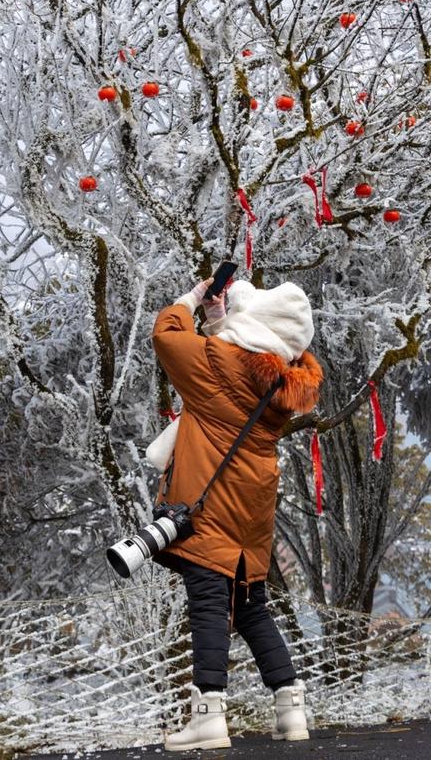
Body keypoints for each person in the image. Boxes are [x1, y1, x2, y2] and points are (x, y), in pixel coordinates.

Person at [150, 275, 323, 750]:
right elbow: (235, 365)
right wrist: (219, 321)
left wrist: (191, 299)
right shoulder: (279, 381)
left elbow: (166, 336)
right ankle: (291, 708)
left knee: (208, 599)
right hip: (251, 506)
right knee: (249, 606)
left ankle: (207, 714)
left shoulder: (219, 366)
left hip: (214, 505)